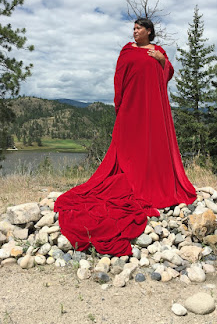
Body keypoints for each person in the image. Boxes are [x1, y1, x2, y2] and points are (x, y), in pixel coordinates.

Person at [54, 18, 196, 256]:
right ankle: (131, 176)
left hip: (153, 109)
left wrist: (164, 62)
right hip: (131, 108)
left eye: (138, 28)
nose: (134, 31)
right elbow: (119, 78)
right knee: (130, 148)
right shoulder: (127, 51)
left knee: (151, 146)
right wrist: (119, 105)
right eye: (133, 28)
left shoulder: (158, 51)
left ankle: (152, 179)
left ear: (149, 31)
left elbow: (167, 73)